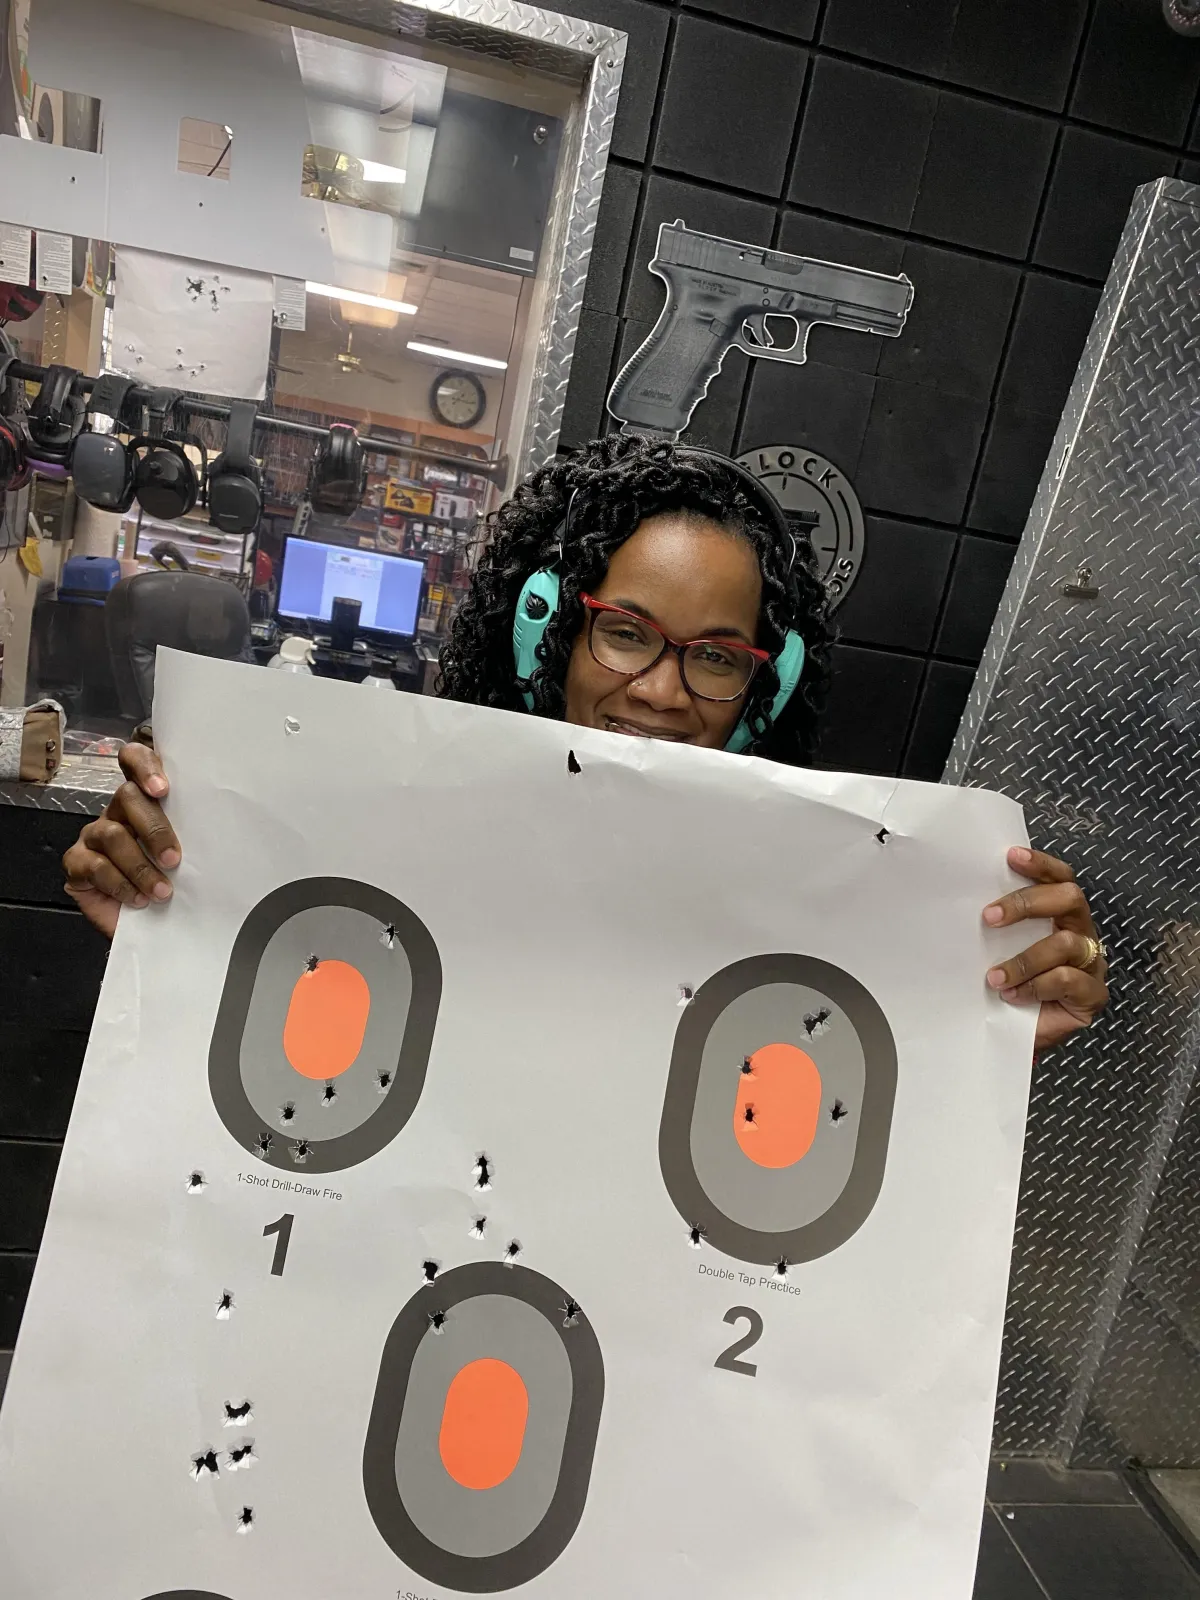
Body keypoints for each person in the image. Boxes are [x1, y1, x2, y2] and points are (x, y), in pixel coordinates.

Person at [62, 433, 1109, 1051]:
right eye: (625, 633)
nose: (660, 689)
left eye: (714, 656)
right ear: (550, 634)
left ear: (761, 683)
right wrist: (175, 919)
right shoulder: (405, 830)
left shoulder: (801, 896)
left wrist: (994, 1020)